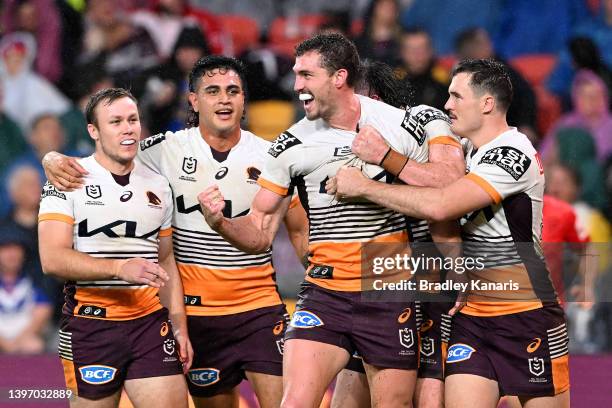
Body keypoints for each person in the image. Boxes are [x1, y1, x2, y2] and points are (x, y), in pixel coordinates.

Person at [198, 32, 462, 408]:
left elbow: (448, 191)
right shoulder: (290, 145)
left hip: (390, 294)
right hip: (325, 295)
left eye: (306, 75)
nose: (296, 86)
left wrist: (384, 158)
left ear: (338, 78)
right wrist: (221, 222)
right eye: (296, 75)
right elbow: (259, 232)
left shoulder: (401, 126)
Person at [41, 56, 305, 408]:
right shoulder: (162, 151)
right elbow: (108, 160)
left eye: (232, 91)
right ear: (194, 100)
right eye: (212, 91)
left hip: (259, 309)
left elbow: (300, 232)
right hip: (192, 316)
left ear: (244, 99)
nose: (224, 100)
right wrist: (51, 158)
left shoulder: (273, 156)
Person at [329, 59, 570, 407]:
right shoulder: (466, 153)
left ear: (486, 103)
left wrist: (369, 180)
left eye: (457, 96)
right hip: (470, 317)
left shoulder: (514, 153)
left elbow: (442, 205)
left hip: (525, 312)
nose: (448, 105)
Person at [38, 88, 191, 407]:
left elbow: (166, 260)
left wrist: (179, 325)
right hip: (91, 324)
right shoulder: (66, 179)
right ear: (93, 131)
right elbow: (51, 259)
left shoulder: (159, 184)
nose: (127, 128)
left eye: (133, 119)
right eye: (116, 121)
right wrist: (119, 268)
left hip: (149, 323)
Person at [331, 59, 464, 408]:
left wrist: (385, 158)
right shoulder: (338, 143)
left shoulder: (423, 117)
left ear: (372, 98)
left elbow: (449, 185)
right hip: (375, 280)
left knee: (428, 393)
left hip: (431, 278)